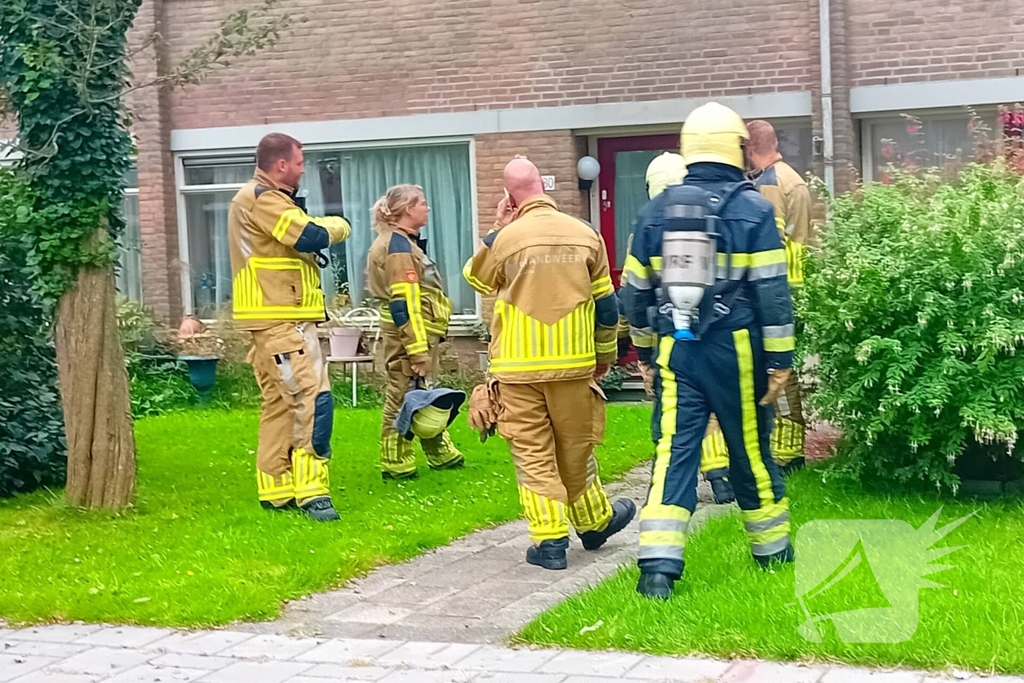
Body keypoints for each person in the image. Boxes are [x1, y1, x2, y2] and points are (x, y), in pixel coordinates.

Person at [623, 103, 795, 599]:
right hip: (737, 348)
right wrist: (780, 361)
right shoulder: (755, 208)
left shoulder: (656, 210)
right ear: (735, 147)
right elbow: (771, 294)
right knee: (749, 448)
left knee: (673, 451)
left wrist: (646, 352)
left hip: (677, 346)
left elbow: (634, 294)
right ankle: (772, 551)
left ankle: (657, 567)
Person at [463, 157, 636, 570]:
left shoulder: (506, 238)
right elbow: (607, 305)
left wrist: (499, 227)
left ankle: (551, 543)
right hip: (575, 367)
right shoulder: (586, 234)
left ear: (509, 195)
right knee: (575, 451)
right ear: (543, 186)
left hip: (518, 372)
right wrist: (606, 354)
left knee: (533, 455)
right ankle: (593, 523)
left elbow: (476, 277)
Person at [229, 133, 352, 522]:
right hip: (283, 317)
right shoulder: (262, 198)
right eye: (299, 163)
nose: (303, 170)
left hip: (270, 318)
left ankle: (276, 489)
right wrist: (338, 225)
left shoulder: (263, 198)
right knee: (314, 399)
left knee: (280, 404)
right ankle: (313, 491)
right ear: (280, 165)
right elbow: (308, 235)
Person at [697, 121, 814, 497]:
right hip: (792, 287)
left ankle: (781, 453)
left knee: (774, 376)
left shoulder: (767, 185)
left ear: (747, 149)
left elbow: (766, 243)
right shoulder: (791, 177)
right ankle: (790, 447)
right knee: (787, 374)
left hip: (770, 293)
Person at [366, 184, 464, 479]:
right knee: (402, 394)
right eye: (422, 203)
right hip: (406, 337)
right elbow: (404, 305)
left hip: (414, 334)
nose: (427, 207)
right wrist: (418, 350)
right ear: (408, 210)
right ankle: (396, 461)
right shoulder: (397, 247)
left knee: (420, 392)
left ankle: (440, 452)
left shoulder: (403, 242)